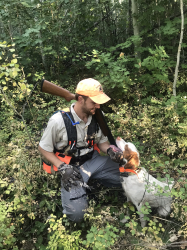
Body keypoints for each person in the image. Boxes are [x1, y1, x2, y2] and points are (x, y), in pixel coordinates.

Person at [38, 78, 125, 222]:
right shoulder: (58, 121)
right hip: (71, 168)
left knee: (129, 173)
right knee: (77, 214)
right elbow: (43, 148)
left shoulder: (97, 116)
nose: (98, 106)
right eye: (93, 102)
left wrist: (110, 150)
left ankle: (96, 183)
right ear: (80, 99)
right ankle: (85, 190)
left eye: (99, 102)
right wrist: (62, 167)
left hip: (93, 160)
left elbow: (102, 143)